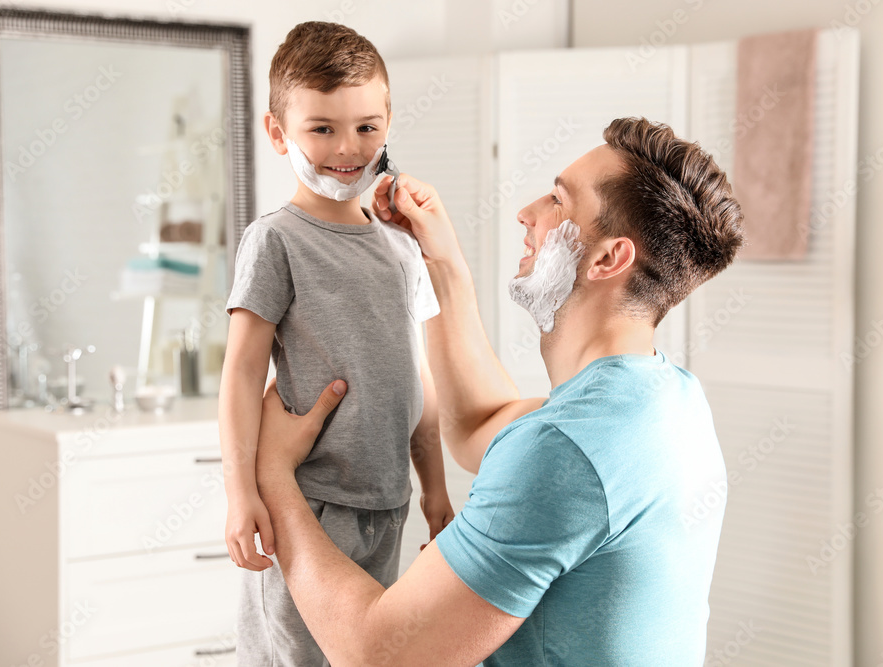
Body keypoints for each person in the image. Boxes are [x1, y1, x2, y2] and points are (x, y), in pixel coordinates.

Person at [252, 116, 745, 665]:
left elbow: (376, 654)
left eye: (557, 201)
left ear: (609, 259)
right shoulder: (669, 397)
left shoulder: (565, 453)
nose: (526, 213)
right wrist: (442, 262)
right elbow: (478, 424)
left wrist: (274, 472)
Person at [218, 21, 455, 666]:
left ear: (388, 123)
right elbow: (241, 374)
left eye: (366, 126)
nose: (347, 148)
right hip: (308, 505)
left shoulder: (402, 245)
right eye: (321, 129)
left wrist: (434, 487)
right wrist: (241, 493)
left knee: (366, 655)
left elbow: (416, 377)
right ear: (278, 133)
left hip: (389, 502)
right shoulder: (275, 240)